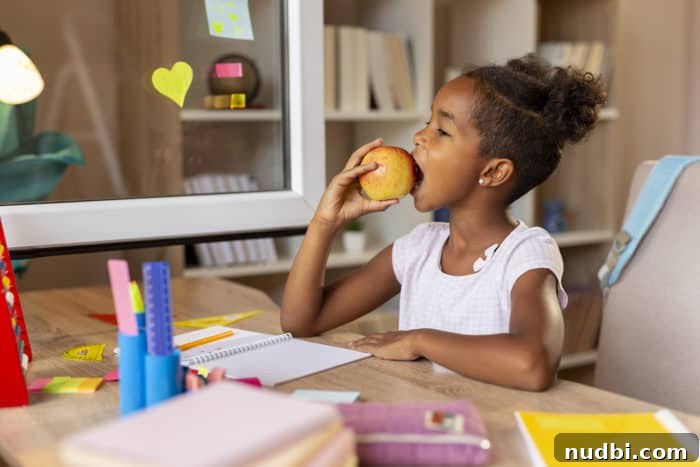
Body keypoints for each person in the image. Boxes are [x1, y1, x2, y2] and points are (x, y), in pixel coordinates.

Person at [280, 54, 606, 391]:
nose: (419, 137)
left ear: (493, 171)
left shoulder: (525, 255)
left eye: (442, 130)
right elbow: (301, 321)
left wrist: (418, 340)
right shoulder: (419, 248)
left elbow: (532, 364)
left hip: (491, 432)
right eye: (426, 122)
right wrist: (324, 222)